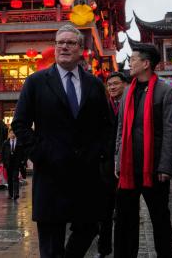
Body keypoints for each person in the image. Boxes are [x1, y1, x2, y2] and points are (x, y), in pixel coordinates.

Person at [12, 25, 113, 258]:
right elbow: (20, 123)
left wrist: (99, 154)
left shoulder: (94, 84)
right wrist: (41, 154)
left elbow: (106, 125)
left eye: (70, 43)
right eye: (60, 42)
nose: (64, 47)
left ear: (81, 50)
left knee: (89, 228)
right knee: (50, 240)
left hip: (86, 173)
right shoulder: (36, 82)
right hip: (51, 172)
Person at [114, 43, 172, 258]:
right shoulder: (127, 93)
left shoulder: (165, 91)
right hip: (128, 166)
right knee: (124, 218)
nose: (129, 63)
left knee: (159, 218)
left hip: (154, 167)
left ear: (146, 63)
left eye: (133, 59)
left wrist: (165, 165)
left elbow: (170, 131)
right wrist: (118, 160)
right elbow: (121, 130)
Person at [95, 72, 127, 258]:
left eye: (116, 84)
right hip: (105, 165)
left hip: (125, 163)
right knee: (104, 211)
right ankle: (103, 249)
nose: (112, 87)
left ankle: (122, 250)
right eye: (109, 85)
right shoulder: (103, 107)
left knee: (123, 211)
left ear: (124, 85)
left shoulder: (130, 104)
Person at [1, 129, 24, 200]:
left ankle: (16, 193)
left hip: (16, 163)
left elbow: (23, 153)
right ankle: (10, 194)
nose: (12, 134)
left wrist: (23, 161)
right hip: (8, 163)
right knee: (10, 179)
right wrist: (3, 162)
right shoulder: (5, 143)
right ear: (9, 134)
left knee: (15, 178)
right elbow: (2, 153)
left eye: (13, 133)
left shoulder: (19, 143)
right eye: (11, 133)